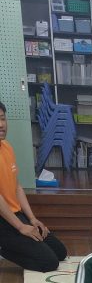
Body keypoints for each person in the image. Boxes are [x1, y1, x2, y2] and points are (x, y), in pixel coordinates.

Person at [0, 100, 67, 271]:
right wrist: (21, 227)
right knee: (49, 262)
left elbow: (17, 187)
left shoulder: (7, 147)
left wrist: (31, 219)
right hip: (3, 221)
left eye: (2, 118)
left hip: (16, 214)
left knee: (60, 252)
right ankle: (3, 248)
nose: (1, 125)